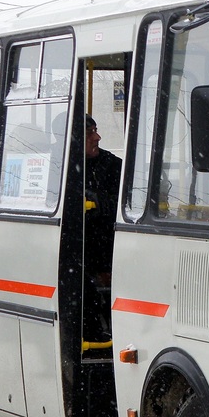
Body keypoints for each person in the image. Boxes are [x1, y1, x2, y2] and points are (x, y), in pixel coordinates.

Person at [84, 114, 122, 341]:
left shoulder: (111, 166)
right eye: (89, 133)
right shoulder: (58, 169)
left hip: (109, 250)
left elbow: (127, 201)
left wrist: (101, 202)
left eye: (95, 130)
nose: (97, 137)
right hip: (77, 258)